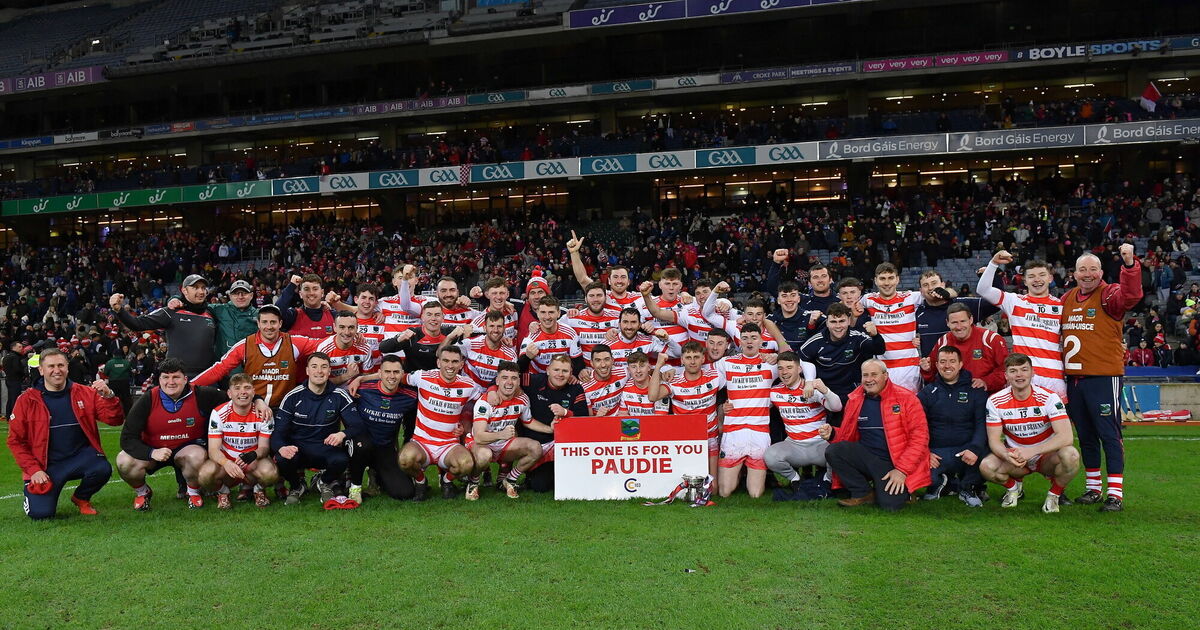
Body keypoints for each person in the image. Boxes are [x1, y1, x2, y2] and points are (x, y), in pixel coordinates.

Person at [1061, 245, 1142, 511]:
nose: (1088, 274)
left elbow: (1130, 296)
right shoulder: (1067, 299)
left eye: (1093, 269)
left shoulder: (1109, 294)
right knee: (1085, 434)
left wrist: (1129, 265)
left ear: (1101, 272)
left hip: (1103, 378)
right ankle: (1093, 488)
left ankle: (1115, 493)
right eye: (1082, 270)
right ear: (1074, 274)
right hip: (1074, 380)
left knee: (1109, 434)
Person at [116, 358, 252, 510]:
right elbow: (127, 438)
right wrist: (151, 452)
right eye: (165, 377)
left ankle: (193, 492)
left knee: (197, 455)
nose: (171, 382)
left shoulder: (202, 394)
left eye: (176, 377)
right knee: (124, 460)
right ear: (159, 380)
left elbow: (236, 397)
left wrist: (258, 401)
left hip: (187, 450)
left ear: (185, 379)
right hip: (155, 451)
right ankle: (143, 492)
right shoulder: (147, 400)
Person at [7, 349, 124, 520]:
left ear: (67, 368)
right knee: (41, 515)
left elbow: (115, 420)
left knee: (102, 468)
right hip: (46, 466)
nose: (57, 370)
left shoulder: (85, 393)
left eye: (61, 365)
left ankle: (81, 498)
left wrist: (109, 397)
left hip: (79, 458)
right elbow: (15, 441)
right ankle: (37, 498)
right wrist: (34, 471)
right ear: (41, 370)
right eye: (51, 366)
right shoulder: (26, 400)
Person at [821, 359, 931, 511]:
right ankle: (862, 493)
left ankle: (907, 492)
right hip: (868, 457)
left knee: (890, 506)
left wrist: (901, 471)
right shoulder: (855, 399)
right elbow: (848, 434)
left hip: (895, 463)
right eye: (865, 375)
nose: (869, 379)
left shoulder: (907, 398)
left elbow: (920, 439)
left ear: (885, 376)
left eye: (874, 374)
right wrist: (833, 433)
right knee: (834, 451)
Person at [979, 354, 1081, 514]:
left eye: (1024, 370)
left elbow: (1066, 437)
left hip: (1046, 457)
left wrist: (1031, 451)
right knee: (986, 467)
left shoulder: (1050, 398)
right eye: (1013, 371)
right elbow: (994, 440)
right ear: (1006, 376)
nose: (1019, 375)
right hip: (1016, 457)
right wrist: (1007, 455)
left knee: (1071, 455)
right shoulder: (995, 401)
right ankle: (1013, 489)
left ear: (1032, 372)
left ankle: (1054, 494)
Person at [272, 353, 365, 506]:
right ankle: (297, 486)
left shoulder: (339, 395)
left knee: (341, 459)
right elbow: (277, 434)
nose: (319, 371)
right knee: (282, 458)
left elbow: (358, 426)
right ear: (307, 371)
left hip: (326, 449)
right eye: (314, 367)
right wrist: (282, 447)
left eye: (324, 367)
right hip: (299, 450)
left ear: (329, 371)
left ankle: (323, 481)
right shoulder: (293, 397)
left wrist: (342, 433)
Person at [192, 305, 323, 407]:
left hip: (285, 408)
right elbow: (219, 369)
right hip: (252, 406)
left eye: (273, 322)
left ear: (280, 324)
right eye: (265, 322)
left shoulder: (294, 342)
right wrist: (190, 386)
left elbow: (325, 345)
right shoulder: (244, 346)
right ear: (258, 324)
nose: (269, 327)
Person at [398, 345, 483, 500]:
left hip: (448, 445)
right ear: (438, 362)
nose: (450, 366)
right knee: (405, 459)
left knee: (466, 464)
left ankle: (447, 481)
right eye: (446, 361)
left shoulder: (468, 385)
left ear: (461, 364)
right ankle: (421, 482)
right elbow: (396, 377)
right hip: (422, 442)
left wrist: (465, 422)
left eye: (454, 362)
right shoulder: (422, 377)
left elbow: (484, 403)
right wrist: (361, 378)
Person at [977, 252, 1066, 399]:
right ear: (1024, 280)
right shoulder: (1014, 301)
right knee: (1023, 421)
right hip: (1023, 376)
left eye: (1042, 275)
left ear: (1050, 278)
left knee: (1056, 421)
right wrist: (993, 263)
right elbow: (983, 290)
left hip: (1054, 376)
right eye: (1031, 276)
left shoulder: (1062, 306)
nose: (1037, 280)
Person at [916, 346, 988, 507]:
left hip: (967, 450)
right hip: (937, 453)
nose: (947, 366)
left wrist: (974, 449)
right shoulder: (927, 392)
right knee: (924, 477)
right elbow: (918, 427)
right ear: (937, 364)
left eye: (952, 361)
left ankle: (968, 488)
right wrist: (925, 452)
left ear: (961, 364)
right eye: (942, 362)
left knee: (987, 454)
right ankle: (943, 483)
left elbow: (982, 423)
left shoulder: (975, 390)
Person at [713, 323, 779, 498]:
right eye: (745, 338)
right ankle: (738, 474)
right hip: (734, 431)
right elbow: (707, 381)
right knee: (725, 491)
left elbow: (801, 364)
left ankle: (748, 475)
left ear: (761, 341)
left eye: (754, 338)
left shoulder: (771, 363)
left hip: (759, 431)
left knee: (755, 494)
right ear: (739, 341)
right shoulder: (726, 363)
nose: (749, 342)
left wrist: (778, 357)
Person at [465, 361, 545, 500]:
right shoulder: (485, 402)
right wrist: (501, 434)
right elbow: (478, 436)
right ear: (497, 380)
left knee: (536, 448)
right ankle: (474, 481)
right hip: (483, 443)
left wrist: (552, 428)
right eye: (505, 378)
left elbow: (529, 422)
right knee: (485, 455)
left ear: (519, 381)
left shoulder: (523, 399)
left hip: (504, 443)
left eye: (514, 378)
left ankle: (510, 479)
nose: (509, 382)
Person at [110, 274, 216, 378]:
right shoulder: (171, 311)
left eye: (203, 288)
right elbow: (138, 324)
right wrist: (120, 310)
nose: (201, 291)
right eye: (195, 287)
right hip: (177, 377)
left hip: (207, 376)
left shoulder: (211, 313)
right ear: (184, 290)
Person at [765, 351, 842, 493]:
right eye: (780, 368)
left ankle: (827, 480)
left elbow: (837, 407)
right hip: (794, 445)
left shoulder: (811, 388)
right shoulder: (775, 392)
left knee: (838, 452)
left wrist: (825, 391)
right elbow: (759, 407)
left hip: (819, 444)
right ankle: (795, 479)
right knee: (770, 456)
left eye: (789, 367)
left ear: (800, 369)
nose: (784, 372)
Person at [199, 373, 279, 509]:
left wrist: (253, 455)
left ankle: (258, 490)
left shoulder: (264, 413)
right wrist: (226, 463)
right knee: (204, 475)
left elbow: (264, 448)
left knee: (271, 473)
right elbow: (213, 450)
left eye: (247, 388)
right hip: (227, 461)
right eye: (237, 388)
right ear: (229, 393)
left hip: (252, 460)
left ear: (253, 392)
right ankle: (223, 492)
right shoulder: (219, 413)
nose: (243, 392)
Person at [345, 355, 417, 503]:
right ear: (380, 373)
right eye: (387, 372)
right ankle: (355, 487)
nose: (391, 376)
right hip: (360, 445)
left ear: (402, 374)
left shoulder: (410, 396)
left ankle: (377, 477)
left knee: (405, 493)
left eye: (396, 372)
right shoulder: (362, 389)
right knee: (362, 446)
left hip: (385, 448)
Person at [798, 302, 886, 415]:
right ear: (827, 323)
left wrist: (875, 335)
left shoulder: (857, 337)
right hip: (824, 391)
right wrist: (809, 382)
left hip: (851, 391)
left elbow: (879, 350)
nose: (838, 326)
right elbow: (799, 361)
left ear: (849, 321)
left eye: (842, 321)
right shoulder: (816, 341)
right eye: (833, 322)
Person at [519, 354, 588, 493]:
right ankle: (532, 473)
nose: (560, 375)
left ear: (571, 373)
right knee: (540, 486)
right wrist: (491, 391)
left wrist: (565, 412)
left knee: (570, 484)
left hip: (563, 445)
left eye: (565, 371)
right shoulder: (533, 380)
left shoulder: (576, 388)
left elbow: (584, 418)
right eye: (556, 370)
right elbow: (509, 376)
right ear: (548, 370)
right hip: (538, 445)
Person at [651, 341, 723, 474]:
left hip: (710, 436)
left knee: (714, 488)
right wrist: (658, 367)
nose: (693, 361)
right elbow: (652, 396)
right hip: (685, 439)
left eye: (696, 357)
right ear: (682, 360)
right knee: (686, 480)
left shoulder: (715, 377)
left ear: (703, 359)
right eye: (688, 358)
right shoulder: (674, 382)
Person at [860, 263, 924, 393]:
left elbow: (945, 296)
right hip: (882, 368)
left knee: (909, 406)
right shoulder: (868, 299)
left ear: (897, 279)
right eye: (882, 278)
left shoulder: (911, 297)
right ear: (876, 281)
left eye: (891, 278)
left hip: (909, 366)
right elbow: (845, 306)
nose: (887, 283)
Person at [919, 303, 1009, 392]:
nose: (959, 327)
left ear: (971, 320)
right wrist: (927, 369)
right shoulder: (943, 341)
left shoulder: (991, 339)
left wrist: (986, 382)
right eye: (954, 322)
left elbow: (1006, 370)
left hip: (987, 397)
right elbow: (932, 373)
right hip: (954, 397)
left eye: (963, 321)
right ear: (947, 323)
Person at [915, 269, 1000, 356]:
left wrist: (993, 275)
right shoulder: (916, 313)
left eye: (934, 283)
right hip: (933, 367)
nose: (930, 288)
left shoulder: (964, 305)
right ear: (921, 290)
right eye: (925, 285)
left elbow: (996, 304)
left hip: (966, 367)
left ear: (943, 285)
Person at [315, 312, 381, 385]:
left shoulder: (365, 348)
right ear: (334, 327)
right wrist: (347, 376)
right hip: (331, 392)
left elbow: (366, 379)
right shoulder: (323, 349)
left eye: (351, 327)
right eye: (342, 327)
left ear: (357, 328)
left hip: (356, 392)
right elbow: (320, 382)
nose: (347, 332)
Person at [522, 296, 583, 375]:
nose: (547, 317)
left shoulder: (570, 334)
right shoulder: (531, 337)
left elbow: (578, 364)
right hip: (539, 379)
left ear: (559, 313)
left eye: (551, 312)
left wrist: (573, 376)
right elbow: (520, 368)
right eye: (543, 312)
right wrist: (527, 357)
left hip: (562, 378)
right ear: (537, 313)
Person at [275, 273, 336, 337]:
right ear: (300, 294)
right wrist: (291, 286)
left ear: (322, 293)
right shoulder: (293, 316)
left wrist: (337, 304)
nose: (311, 293)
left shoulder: (333, 315)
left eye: (315, 289)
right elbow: (277, 310)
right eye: (306, 289)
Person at [582, 344, 627, 417]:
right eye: (598, 360)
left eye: (606, 359)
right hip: (599, 425)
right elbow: (588, 421)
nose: (603, 365)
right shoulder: (584, 386)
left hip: (620, 422)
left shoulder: (624, 374)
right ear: (592, 363)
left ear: (612, 360)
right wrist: (598, 417)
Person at [3, 341, 27, 420]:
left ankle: (8, 415)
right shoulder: (15, 357)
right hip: (15, 380)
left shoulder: (7, 356)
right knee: (15, 399)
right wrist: (23, 374)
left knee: (10, 398)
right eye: (19, 347)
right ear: (14, 347)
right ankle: (14, 416)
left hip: (8, 379)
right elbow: (17, 369)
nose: (21, 348)